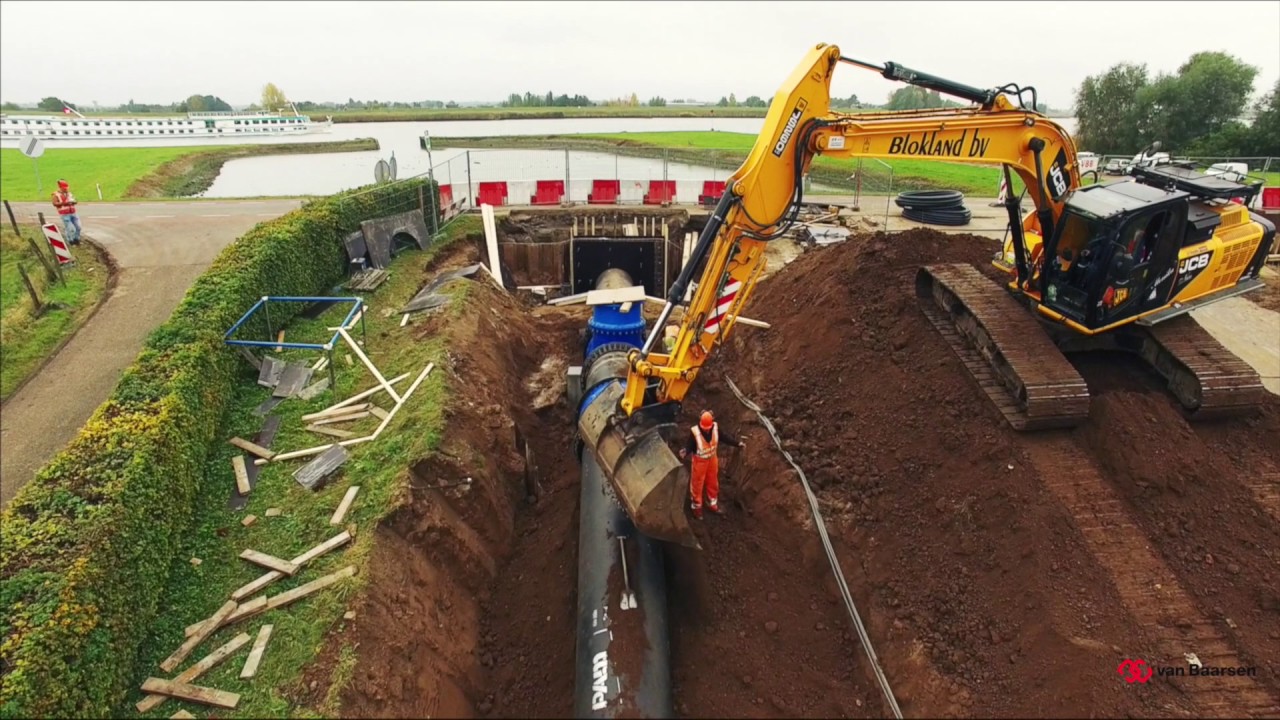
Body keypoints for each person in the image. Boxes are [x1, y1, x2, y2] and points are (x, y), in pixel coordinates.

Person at [678, 410, 745, 519]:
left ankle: (712, 502)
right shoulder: (695, 432)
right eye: (705, 428)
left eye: (708, 428)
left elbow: (724, 437)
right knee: (697, 484)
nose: (707, 430)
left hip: (712, 460)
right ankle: (696, 507)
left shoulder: (715, 428)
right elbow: (690, 444)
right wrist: (685, 451)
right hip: (700, 462)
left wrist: (737, 443)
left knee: (713, 482)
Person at [51, 179, 82, 245]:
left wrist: (74, 202)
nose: (66, 189)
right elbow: (54, 203)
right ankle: (70, 241)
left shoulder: (69, 193)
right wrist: (63, 203)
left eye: (67, 187)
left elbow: (75, 200)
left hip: (73, 212)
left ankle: (77, 239)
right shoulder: (56, 194)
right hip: (64, 214)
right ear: (60, 187)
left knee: (78, 227)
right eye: (64, 188)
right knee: (70, 229)